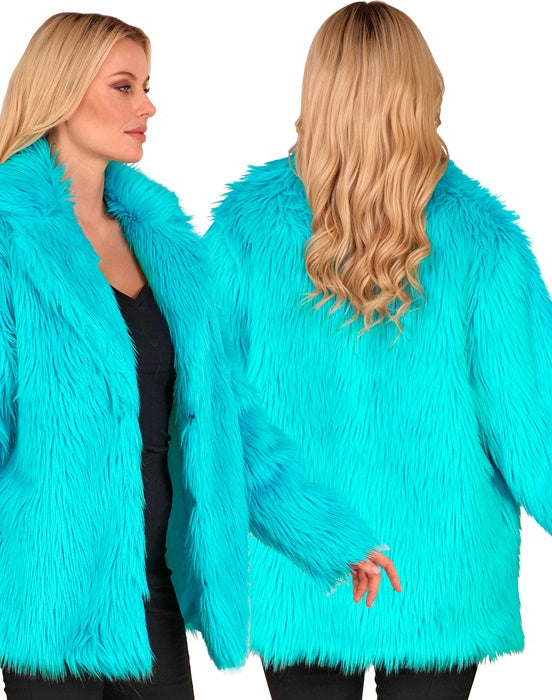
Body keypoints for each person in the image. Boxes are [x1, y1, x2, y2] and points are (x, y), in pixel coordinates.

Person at [0, 11, 401, 700]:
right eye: (124, 87)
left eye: (146, 86)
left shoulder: (167, 243)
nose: (147, 106)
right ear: (61, 94)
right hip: (47, 596)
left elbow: (228, 424)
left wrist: (329, 537)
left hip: (154, 585)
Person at [205, 2, 552, 699]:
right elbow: (532, 427)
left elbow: (205, 405)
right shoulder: (485, 242)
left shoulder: (243, 231)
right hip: (439, 573)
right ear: (423, 91)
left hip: (303, 565)